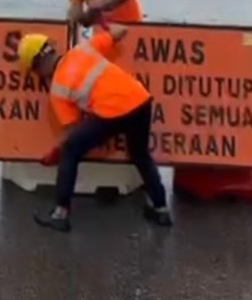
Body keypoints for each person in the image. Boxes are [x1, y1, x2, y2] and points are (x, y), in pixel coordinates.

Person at [16, 24, 172, 232]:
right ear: (50, 49)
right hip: (141, 100)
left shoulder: (58, 90)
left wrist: (57, 153)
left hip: (111, 113)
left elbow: (72, 131)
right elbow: (120, 32)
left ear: (38, 65)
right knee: (140, 154)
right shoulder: (84, 48)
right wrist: (108, 24)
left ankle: (60, 214)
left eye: (35, 71)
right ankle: (161, 210)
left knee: (70, 152)